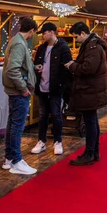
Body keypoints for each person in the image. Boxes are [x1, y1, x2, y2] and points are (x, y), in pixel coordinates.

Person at [65, 22, 107, 166]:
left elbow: (88, 68)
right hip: (91, 90)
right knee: (92, 121)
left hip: (90, 90)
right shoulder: (92, 45)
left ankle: (90, 153)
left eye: (76, 37)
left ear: (83, 33)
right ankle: (94, 152)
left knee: (90, 122)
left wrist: (72, 66)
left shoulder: (92, 47)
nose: (76, 40)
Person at [2, 17, 38, 175]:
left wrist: (33, 68)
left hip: (15, 90)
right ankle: (16, 160)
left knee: (12, 124)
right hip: (18, 91)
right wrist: (23, 88)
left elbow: (17, 66)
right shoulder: (19, 44)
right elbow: (13, 69)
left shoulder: (15, 41)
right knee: (17, 125)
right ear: (31, 31)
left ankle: (10, 157)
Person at [31, 22, 72, 156]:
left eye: (44, 33)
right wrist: (37, 68)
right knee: (43, 115)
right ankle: (41, 141)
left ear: (52, 32)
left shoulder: (63, 48)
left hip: (55, 88)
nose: (43, 35)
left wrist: (63, 86)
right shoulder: (41, 48)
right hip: (42, 87)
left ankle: (57, 141)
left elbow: (68, 68)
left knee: (56, 114)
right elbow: (36, 63)